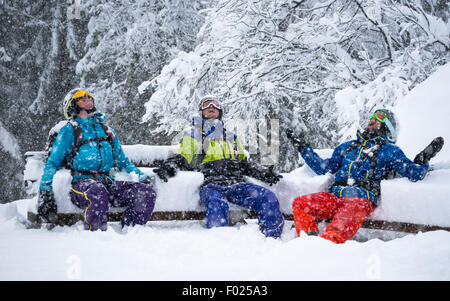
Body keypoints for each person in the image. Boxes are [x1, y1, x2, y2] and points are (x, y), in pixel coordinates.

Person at [286, 109, 443, 244]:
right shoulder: (348, 147)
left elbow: (413, 173)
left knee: (333, 236)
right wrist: (303, 148)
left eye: (378, 120)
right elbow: (324, 168)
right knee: (300, 204)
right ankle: (309, 243)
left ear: (387, 128)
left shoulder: (389, 150)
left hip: (359, 201)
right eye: (371, 118)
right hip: (335, 197)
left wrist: (424, 158)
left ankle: (320, 253)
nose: (371, 121)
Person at [153, 95, 285, 238]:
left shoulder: (231, 137)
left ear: (220, 112)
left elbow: (243, 163)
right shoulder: (194, 136)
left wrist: (263, 173)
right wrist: (169, 166)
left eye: (215, 105)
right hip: (212, 185)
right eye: (206, 105)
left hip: (237, 184)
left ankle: (272, 238)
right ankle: (219, 242)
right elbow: (183, 157)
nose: (211, 107)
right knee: (217, 203)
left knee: (267, 197)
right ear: (201, 112)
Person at [37, 88, 157, 230]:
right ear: (73, 105)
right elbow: (53, 162)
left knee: (146, 193)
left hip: (106, 183)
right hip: (82, 185)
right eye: (82, 99)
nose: (88, 100)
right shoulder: (69, 130)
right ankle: (96, 235)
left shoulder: (106, 130)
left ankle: (131, 231)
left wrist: (139, 175)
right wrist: (45, 191)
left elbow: (122, 161)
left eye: (89, 98)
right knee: (97, 191)